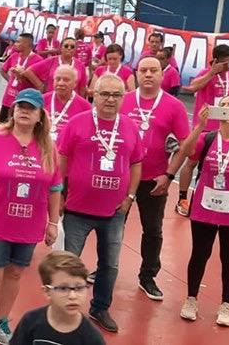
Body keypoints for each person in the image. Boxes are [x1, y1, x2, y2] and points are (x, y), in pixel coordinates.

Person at [0, 88, 62, 345]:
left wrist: (52, 222)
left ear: (40, 116)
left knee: (15, 272)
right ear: (13, 110)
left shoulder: (49, 147)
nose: (24, 111)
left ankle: (0, 320)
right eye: (20, 106)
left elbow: (54, 188)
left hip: (28, 224)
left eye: (30, 108)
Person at [58, 74, 144, 333]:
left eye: (116, 95)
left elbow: (137, 163)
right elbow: (61, 159)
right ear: (94, 94)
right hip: (76, 208)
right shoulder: (76, 123)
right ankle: (63, 309)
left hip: (114, 210)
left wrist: (130, 197)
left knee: (110, 264)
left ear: (123, 98)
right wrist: (60, 195)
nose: (110, 99)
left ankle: (100, 307)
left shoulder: (129, 126)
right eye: (105, 94)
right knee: (69, 262)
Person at [178, 98, 229, 328]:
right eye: (222, 103)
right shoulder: (207, 138)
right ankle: (191, 299)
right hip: (204, 208)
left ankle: (226, 304)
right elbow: (186, 153)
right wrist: (198, 126)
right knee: (199, 254)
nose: (226, 107)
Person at [119, 56, 189, 301]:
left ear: (162, 75)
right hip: (122, 177)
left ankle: (147, 277)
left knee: (153, 230)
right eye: (144, 70)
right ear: (137, 74)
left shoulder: (174, 106)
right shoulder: (124, 101)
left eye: (154, 71)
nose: (148, 75)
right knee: (113, 226)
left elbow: (184, 145)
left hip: (155, 179)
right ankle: (106, 268)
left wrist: (169, 175)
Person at [177, 44, 229, 215]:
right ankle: (182, 198)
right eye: (225, 62)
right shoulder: (206, 73)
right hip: (204, 128)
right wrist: (212, 72)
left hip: (224, 128)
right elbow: (193, 87)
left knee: (217, 165)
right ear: (217, 61)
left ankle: (210, 200)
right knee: (191, 162)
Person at [7, 251, 106, 345]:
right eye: (63, 288)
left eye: (79, 288)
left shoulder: (92, 337)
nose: (73, 296)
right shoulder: (30, 321)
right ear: (47, 291)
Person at [0, 33, 43, 123]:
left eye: (18, 42)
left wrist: (23, 76)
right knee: (4, 126)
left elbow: (40, 85)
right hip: (8, 99)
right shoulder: (14, 56)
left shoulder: (38, 61)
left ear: (27, 44)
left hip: (24, 101)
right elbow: (2, 70)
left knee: (20, 127)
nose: (15, 44)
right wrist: (10, 80)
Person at [43, 65, 91, 142]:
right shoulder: (42, 100)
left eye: (66, 80)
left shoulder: (85, 107)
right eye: (57, 79)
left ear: (75, 83)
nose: (61, 83)